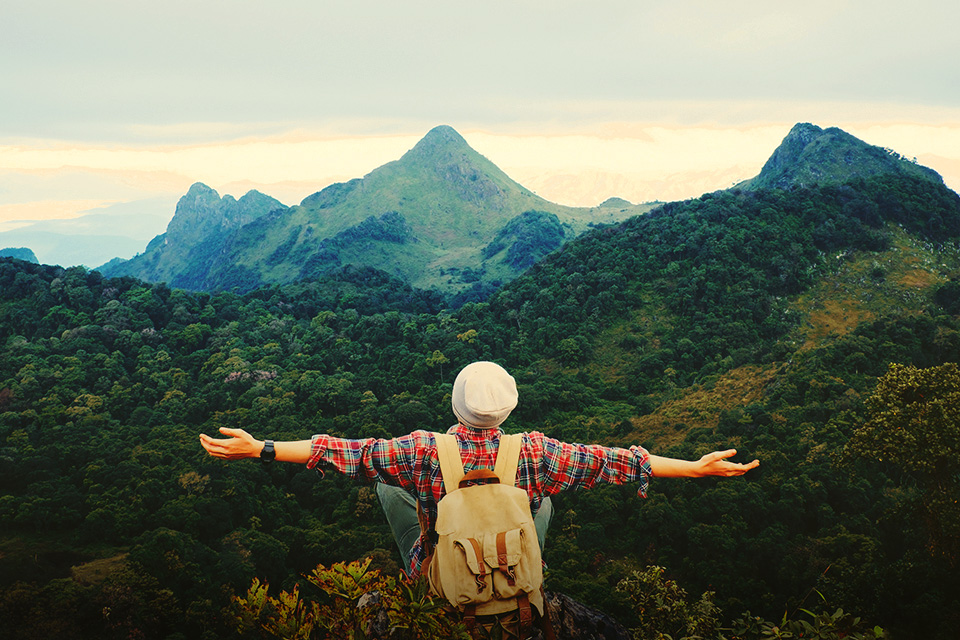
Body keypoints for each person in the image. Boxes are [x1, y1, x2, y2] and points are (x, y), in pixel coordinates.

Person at [200, 361, 759, 578]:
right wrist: (696, 469)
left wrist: (262, 448)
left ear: (455, 406)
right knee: (546, 499)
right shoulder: (537, 454)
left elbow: (345, 451)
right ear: (508, 409)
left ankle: (425, 570)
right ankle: (517, 559)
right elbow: (619, 463)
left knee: (386, 488)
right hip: (515, 575)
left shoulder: (421, 451)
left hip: (442, 572)